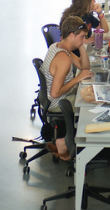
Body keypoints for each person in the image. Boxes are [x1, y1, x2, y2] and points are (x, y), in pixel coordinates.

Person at [41, 16, 92, 160]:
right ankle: (65, 141)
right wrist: (77, 79)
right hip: (58, 101)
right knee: (91, 106)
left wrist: (80, 44)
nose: (84, 40)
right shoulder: (63, 58)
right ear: (71, 35)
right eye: (82, 37)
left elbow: (84, 66)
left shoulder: (58, 46)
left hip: (55, 97)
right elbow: (55, 93)